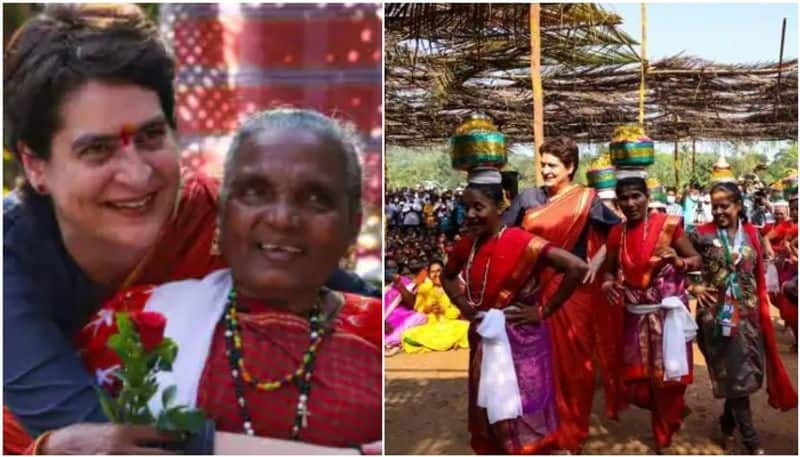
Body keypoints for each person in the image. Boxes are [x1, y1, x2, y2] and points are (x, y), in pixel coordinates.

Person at [3, 4, 376, 453]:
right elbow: (103, 442)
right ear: (35, 165)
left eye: (151, 137)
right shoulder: (10, 265)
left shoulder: (223, 218)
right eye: (98, 150)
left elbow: (363, 314)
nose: (138, 176)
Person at [42, 109, 383, 453]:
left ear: (352, 226)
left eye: (315, 198)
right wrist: (56, 446)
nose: (282, 218)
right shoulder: (137, 322)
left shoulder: (380, 335)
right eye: (255, 192)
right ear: (221, 213)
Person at [441, 167, 589, 454]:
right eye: (466, 207)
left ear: (500, 206)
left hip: (524, 341)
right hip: (484, 338)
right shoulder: (466, 245)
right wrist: (462, 304)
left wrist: (544, 311)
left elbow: (577, 267)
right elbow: (447, 277)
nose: (470, 215)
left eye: (478, 207)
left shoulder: (523, 241)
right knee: (491, 410)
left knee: (525, 412)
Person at [502, 136, 623, 451]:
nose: (545, 170)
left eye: (552, 165)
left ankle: (571, 432)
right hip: (532, 292)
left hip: (573, 294)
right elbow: (502, 235)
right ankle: (540, 431)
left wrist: (595, 263)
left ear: (570, 167)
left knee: (575, 366)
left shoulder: (588, 199)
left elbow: (617, 230)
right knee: (534, 363)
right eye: (542, 163)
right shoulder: (528, 198)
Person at [687, 182, 797, 454]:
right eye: (715, 206)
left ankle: (726, 423)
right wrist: (695, 286)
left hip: (748, 316)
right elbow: (678, 265)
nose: (719, 210)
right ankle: (751, 440)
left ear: (738, 206)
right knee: (737, 374)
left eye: (725, 205)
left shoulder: (751, 234)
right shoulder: (699, 234)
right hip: (715, 317)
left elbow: (758, 275)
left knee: (743, 375)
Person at [601, 175, 702, 451]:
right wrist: (608, 282)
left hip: (668, 317)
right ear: (618, 202)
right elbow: (609, 269)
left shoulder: (668, 226)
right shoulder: (616, 234)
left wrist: (679, 260)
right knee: (636, 384)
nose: (631, 203)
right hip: (635, 317)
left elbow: (696, 260)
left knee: (669, 380)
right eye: (624, 198)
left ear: (648, 197)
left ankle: (663, 431)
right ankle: (670, 412)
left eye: (637, 196)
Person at [400, 260, 469, 353]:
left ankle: (437, 344)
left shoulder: (453, 288)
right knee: (407, 335)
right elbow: (418, 310)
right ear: (429, 275)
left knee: (467, 328)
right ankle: (445, 343)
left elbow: (457, 312)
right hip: (430, 326)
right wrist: (427, 309)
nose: (436, 274)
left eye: (438, 271)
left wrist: (443, 310)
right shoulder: (425, 289)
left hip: (449, 324)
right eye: (433, 272)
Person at [384, 260, 428, 356]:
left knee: (421, 317)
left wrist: (399, 284)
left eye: (395, 267)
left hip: (402, 317)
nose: (392, 270)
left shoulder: (404, 281)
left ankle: (391, 342)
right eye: (389, 268)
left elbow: (411, 304)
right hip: (384, 321)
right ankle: (390, 343)